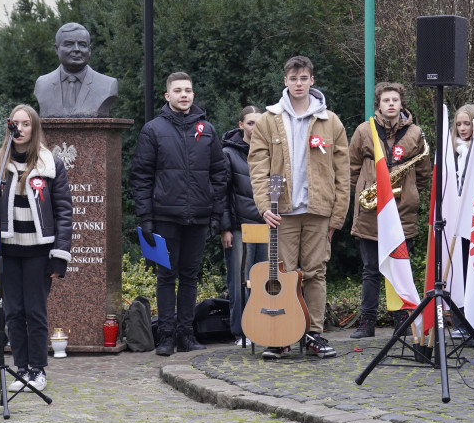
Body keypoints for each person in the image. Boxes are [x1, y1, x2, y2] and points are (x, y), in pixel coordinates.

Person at [249, 55, 350, 359]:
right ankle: (280, 336)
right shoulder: (269, 119)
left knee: (316, 273)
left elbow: (342, 172)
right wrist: (264, 205)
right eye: (293, 79)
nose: (298, 84)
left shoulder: (330, 121)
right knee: (282, 274)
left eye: (303, 78)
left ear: (312, 81)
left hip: (319, 211)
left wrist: (337, 215)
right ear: (285, 82)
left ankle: (314, 335)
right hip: (283, 212)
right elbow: (257, 166)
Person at [0, 104, 72, 392]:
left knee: (35, 312)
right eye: (16, 123)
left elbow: (64, 211)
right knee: (13, 312)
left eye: (26, 124)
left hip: (40, 251)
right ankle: (21, 369)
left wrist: (60, 256)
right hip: (8, 251)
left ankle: (38, 370)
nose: (21, 129)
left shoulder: (51, 164)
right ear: (9, 127)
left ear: (34, 128)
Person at [131, 72, 227, 357]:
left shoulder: (207, 130)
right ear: (167, 96)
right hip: (164, 217)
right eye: (178, 90)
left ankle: (186, 333)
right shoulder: (153, 130)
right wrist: (146, 219)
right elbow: (141, 177)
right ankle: (166, 335)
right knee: (165, 276)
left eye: (188, 90)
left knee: (189, 276)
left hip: (198, 216)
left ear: (193, 95)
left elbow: (219, 175)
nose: (184, 95)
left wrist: (215, 216)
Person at [348, 82, 430, 339]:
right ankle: (367, 322)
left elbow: (424, 173)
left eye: (395, 99)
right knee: (371, 267)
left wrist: (412, 193)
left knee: (398, 267)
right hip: (370, 208)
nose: (391, 104)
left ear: (402, 103)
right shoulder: (364, 130)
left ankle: (401, 322)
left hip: (401, 209)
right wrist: (358, 195)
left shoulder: (416, 133)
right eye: (386, 100)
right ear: (378, 105)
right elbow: (351, 167)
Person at [221, 106, 268, 345]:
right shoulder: (228, 153)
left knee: (265, 280)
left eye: (260, 123)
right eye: (250, 123)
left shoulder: (271, 150)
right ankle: (242, 332)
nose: (255, 127)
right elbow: (222, 193)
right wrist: (225, 228)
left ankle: (264, 327)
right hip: (240, 227)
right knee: (240, 282)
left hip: (268, 224)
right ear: (241, 125)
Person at [33, 23, 119, 118]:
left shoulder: (108, 85)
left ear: (89, 50)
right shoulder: (42, 84)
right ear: (56, 49)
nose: (77, 49)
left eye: (82, 45)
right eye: (69, 44)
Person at [450, 103, 474, 340]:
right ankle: (460, 318)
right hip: (456, 217)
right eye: (458, 124)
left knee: (473, 271)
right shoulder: (453, 150)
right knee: (458, 270)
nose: (462, 128)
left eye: (466, 123)